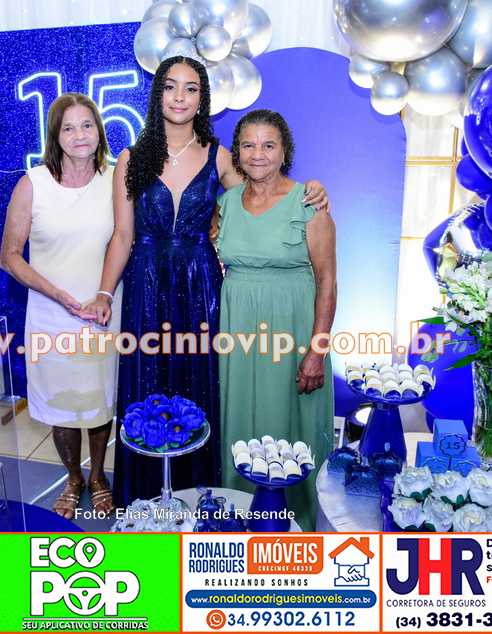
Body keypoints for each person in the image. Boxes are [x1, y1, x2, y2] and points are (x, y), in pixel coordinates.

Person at [87, 51, 329, 506]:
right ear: (157, 95)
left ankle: (202, 499)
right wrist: (104, 292)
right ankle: (147, 500)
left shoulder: (220, 156)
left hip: (201, 289)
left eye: (191, 88)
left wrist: (309, 190)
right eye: (170, 86)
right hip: (145, 287)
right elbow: (122, 235)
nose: (180, 96)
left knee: (201, 386)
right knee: (147, 386)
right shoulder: (131, 159)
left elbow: (262, 193)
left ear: (203, 99)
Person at [0, 93, 120, 519]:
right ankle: (73, 477)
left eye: (87, 125)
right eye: (68, 127)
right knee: (61, 406)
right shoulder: (32, 184)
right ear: (55, 135)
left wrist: (103, 294)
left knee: (100, 400)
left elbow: (129, 237)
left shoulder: (116, 179)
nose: (79, 135)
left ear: (99, 130)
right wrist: (58, 296)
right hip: (52, 315)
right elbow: (10, 256)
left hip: (104, 309)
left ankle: (98, 476)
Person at [215, 109, 336, 531]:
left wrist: (317, 352)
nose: (258, 154)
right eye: (248, 145)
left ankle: (297, 521)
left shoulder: (309, 203)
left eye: (269, 145)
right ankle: (239, 515)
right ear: (237, 153)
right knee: (240, 417)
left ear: (285, 152)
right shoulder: (226, 203)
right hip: (239, 330)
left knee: (292, 424)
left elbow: (327, 279)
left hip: (293, 329)